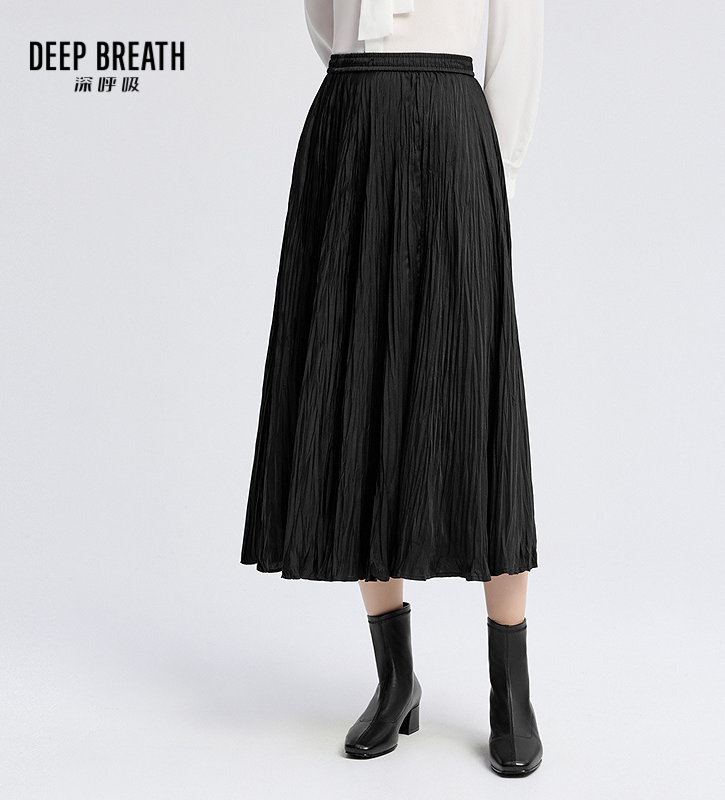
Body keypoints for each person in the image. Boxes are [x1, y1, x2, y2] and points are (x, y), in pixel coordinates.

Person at [241, 0, 544, 776]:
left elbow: (516, 36)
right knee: (360, 381)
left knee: (477, 395)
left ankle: (511, 693)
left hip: (454, 128)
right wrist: (369, 81)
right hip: (351, 119)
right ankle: (395, 679)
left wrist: (495, 174)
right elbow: (322, 19)